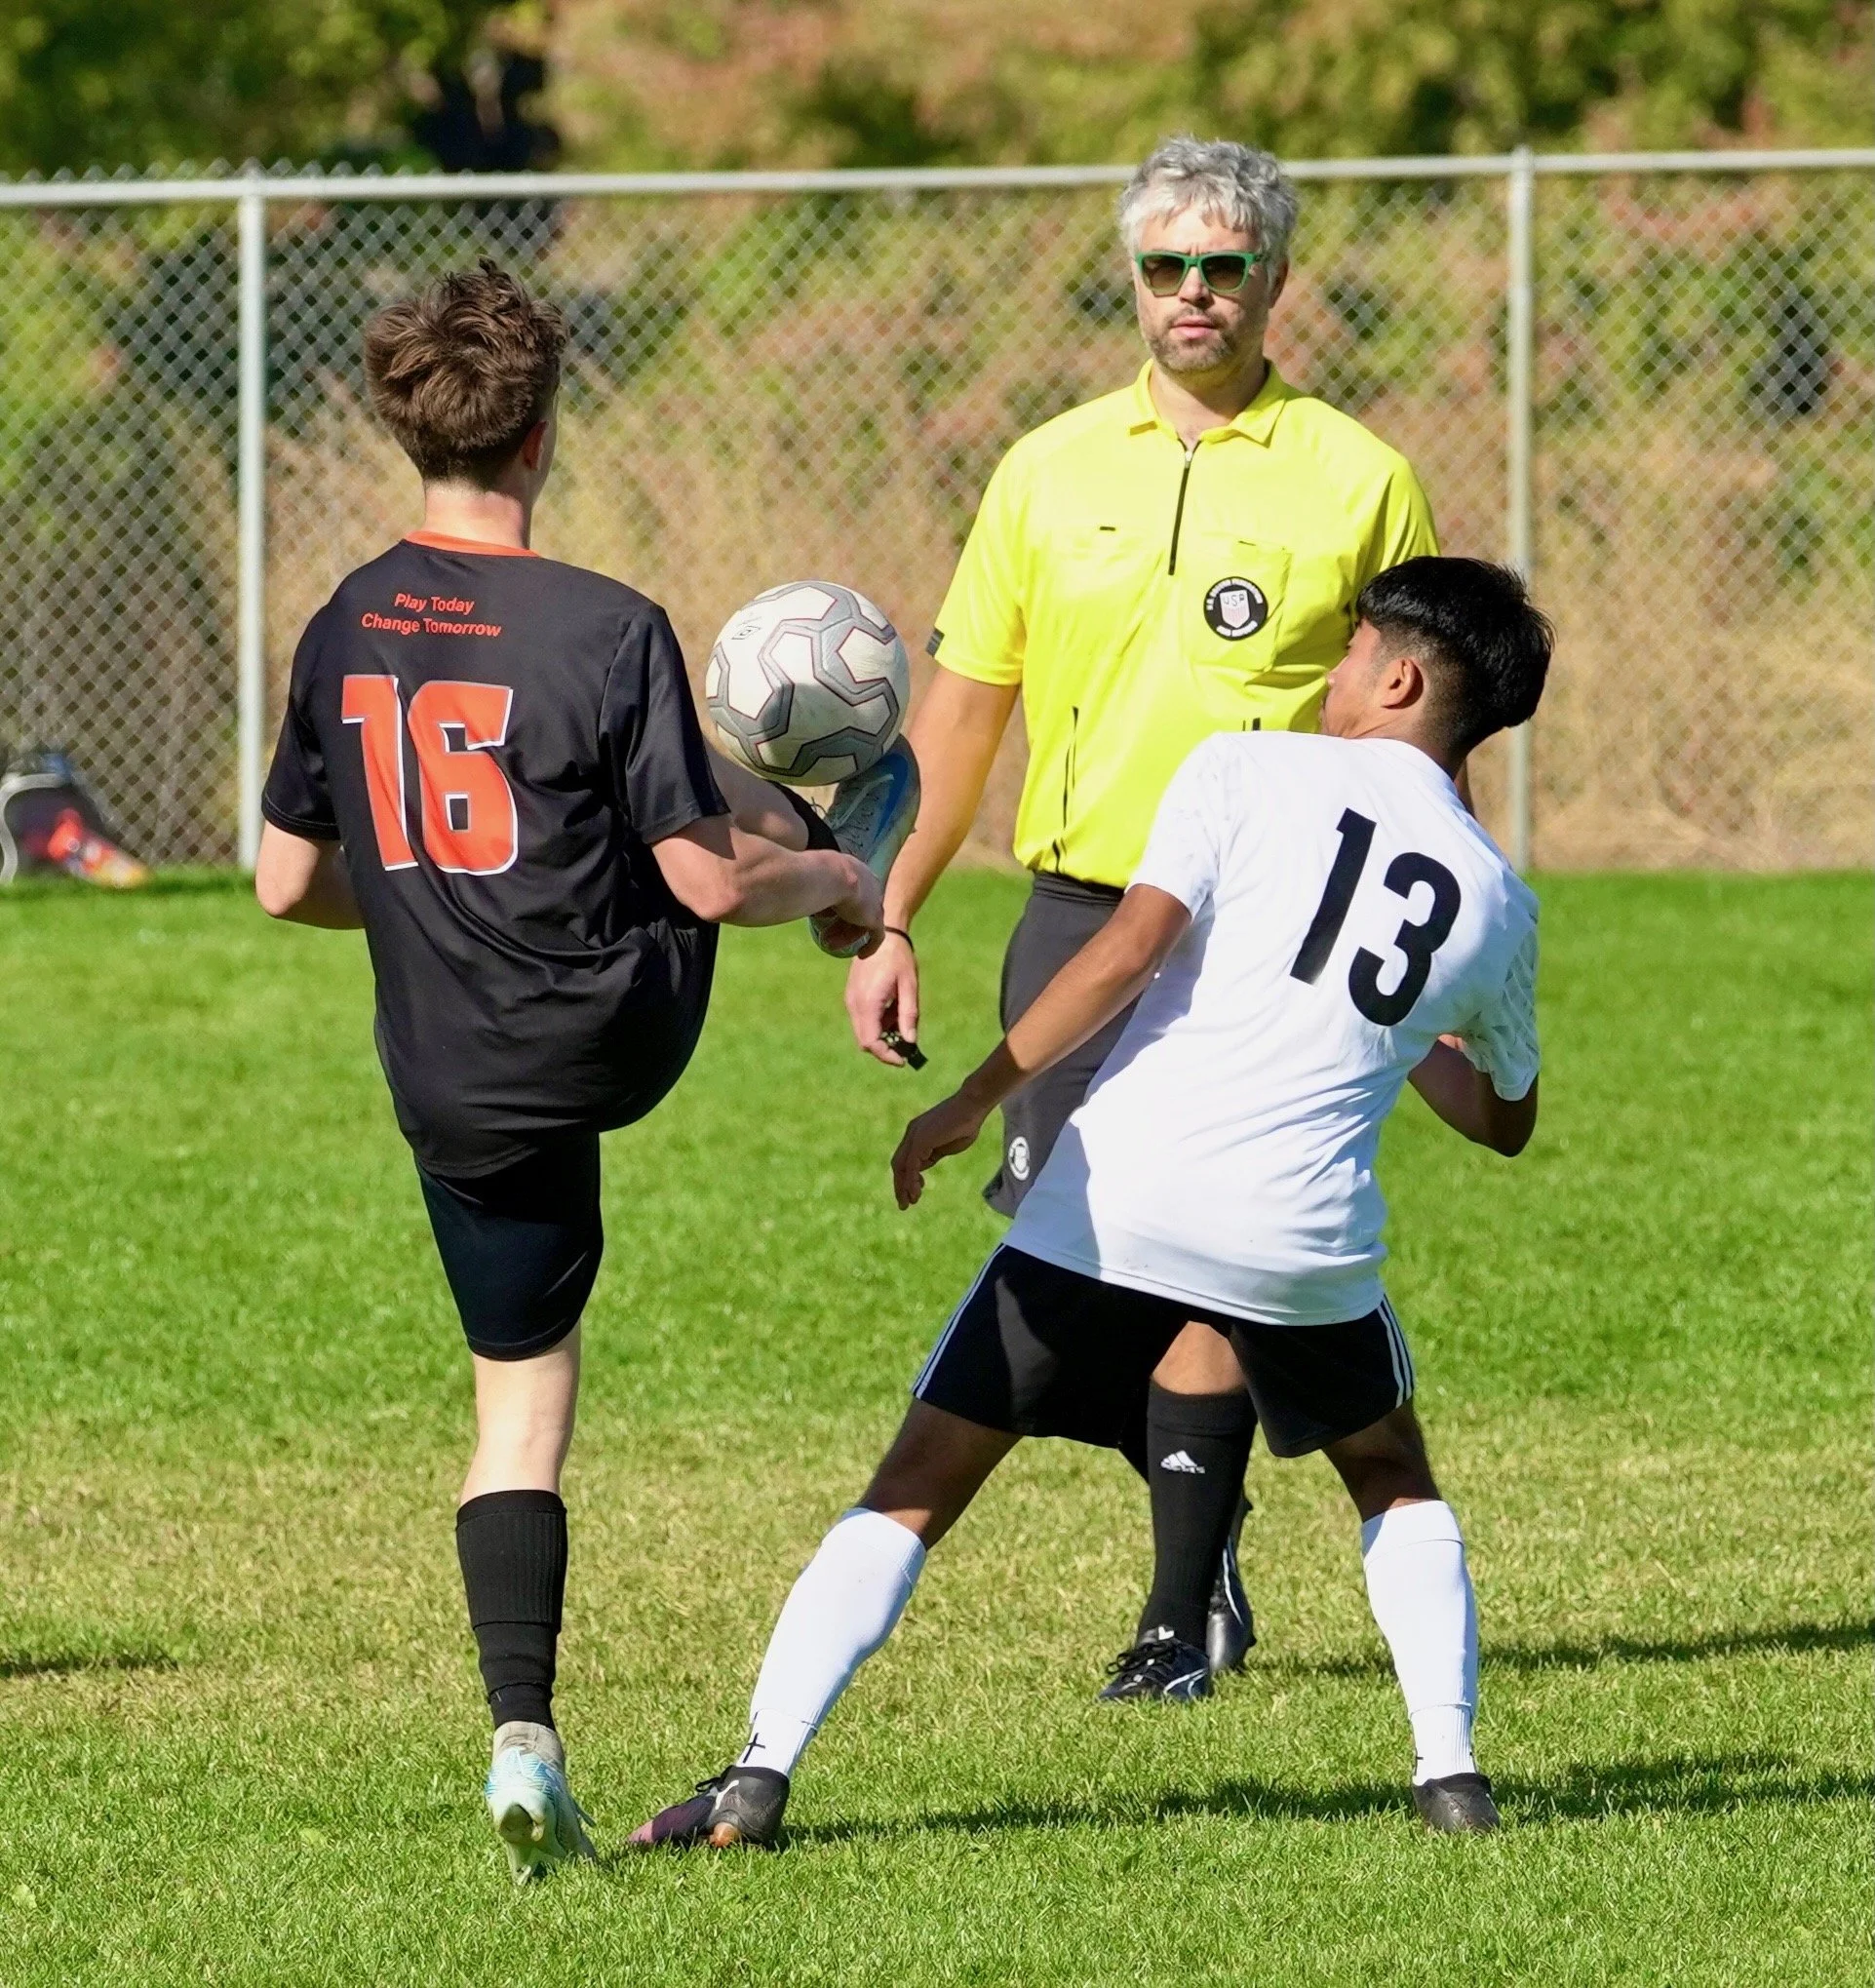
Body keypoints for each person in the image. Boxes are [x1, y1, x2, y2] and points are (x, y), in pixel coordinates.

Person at [633, 556, 1550, 1851]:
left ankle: (758, 1772)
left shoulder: (1244, 767)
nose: (1331, 673)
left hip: (1121, 1195)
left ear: (1398, 678)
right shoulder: (1494, 898)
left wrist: (969, 1099)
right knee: (1388, 1471)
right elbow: (1501, 1118)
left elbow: (1127, 950)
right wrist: (1394, 1036)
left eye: (1348, 652)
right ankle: (1449, 1775)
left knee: (918, 1481)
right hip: (1298, 1240)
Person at [254, 262, 914, 1884]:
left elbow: (283, 880)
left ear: (409, 431)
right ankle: (850, 835)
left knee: (517, 1404)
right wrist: (833, 891)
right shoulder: (611, 624)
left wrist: (421, 896)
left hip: (450, 1075)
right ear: (541, 439)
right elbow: (697, 891)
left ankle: (520, 1728)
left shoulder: (341, 616)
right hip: (612, 1024)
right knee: (746, 823)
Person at [845, 136, 1440, 1698]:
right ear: (1131, 278)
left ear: (1274, 280)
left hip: (1263, 933)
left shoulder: (1357, 477)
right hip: (1079, 907)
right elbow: (967, 708)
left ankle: (1179, 1614)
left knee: (1210, 1262)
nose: (1193, 294)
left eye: (1223, 265)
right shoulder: (1046, 468)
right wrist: (891, 907)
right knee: (1086, 1250)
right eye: (1164, 265)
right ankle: (1210, 1533)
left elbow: (1419, 718)